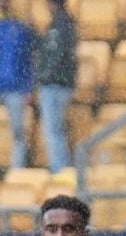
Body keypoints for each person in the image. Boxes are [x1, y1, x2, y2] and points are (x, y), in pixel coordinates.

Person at [35, 0, 76, 173]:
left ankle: (59, 168)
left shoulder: (60, 25)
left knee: (53, 129)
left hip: (55, 85)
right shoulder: (64, 23)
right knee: (55, 128)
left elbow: (56, 55)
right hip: (60, 83)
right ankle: (60, 166)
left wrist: (44, 76)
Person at [0, 0, 35, 169]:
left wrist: (27, 87)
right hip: (8, 86)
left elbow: (29, 60)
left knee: (17, 133)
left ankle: (17, 169)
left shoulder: (21, 25)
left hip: (15, 88)